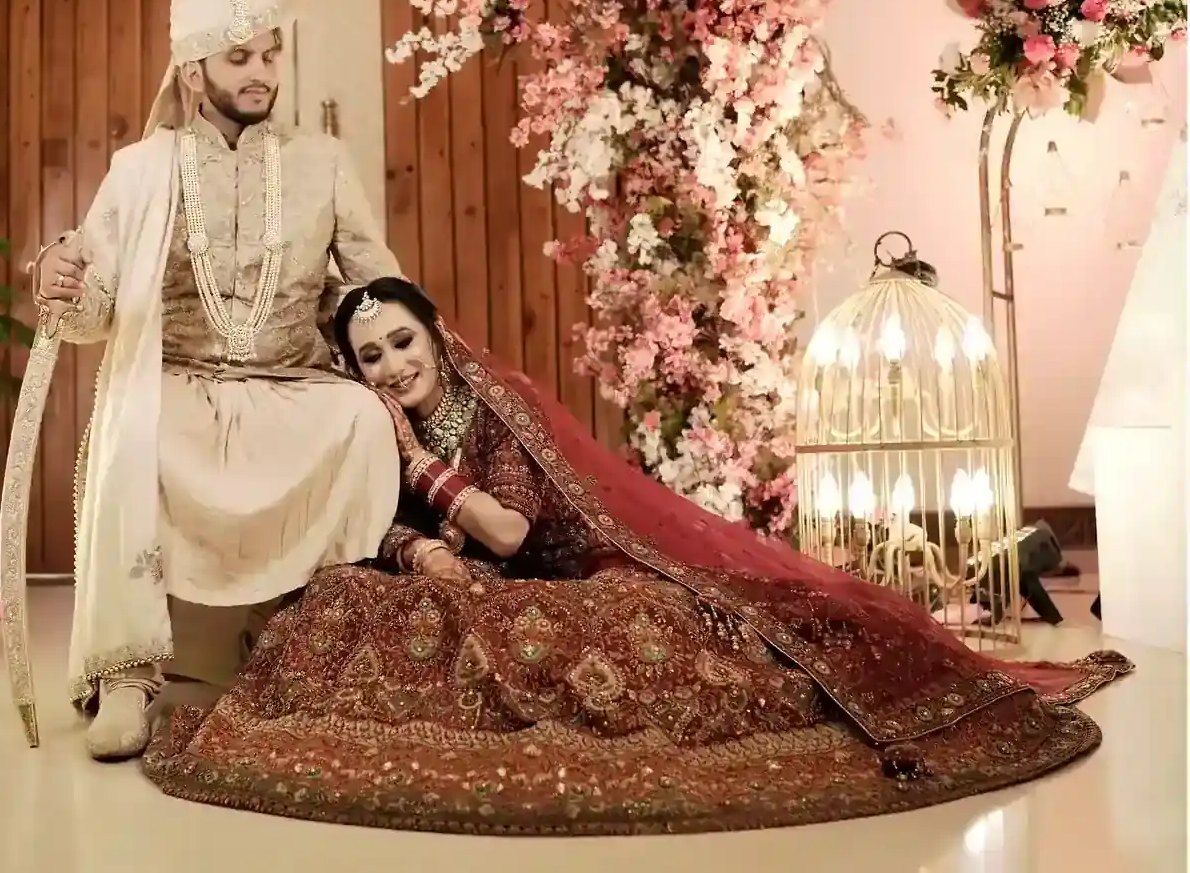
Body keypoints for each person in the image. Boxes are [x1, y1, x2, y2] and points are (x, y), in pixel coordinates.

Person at [141, 277, 1134, 835]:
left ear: (437, 334)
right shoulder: (369, 425)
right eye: (373, 358)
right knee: (346, 596)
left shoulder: (494, 407)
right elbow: (375, 526)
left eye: (404, 342)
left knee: (640, 629)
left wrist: (421, 474)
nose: (394, 366)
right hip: (482, 587)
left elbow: (513, 536)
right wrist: (411, 544)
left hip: (581, 576)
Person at [11, 0, 403, 762]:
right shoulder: (140, 169)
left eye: (271, 54)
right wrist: (54, 275)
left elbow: (373, 286)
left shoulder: (321, 162)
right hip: (179, 388)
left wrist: (394, 336)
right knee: (129, 434)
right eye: (239, 58)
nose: (261, 74)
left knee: (363, 419)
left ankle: (312, 638)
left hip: (292, 385)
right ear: (193, 71)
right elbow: (93, 312)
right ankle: (129, 674)